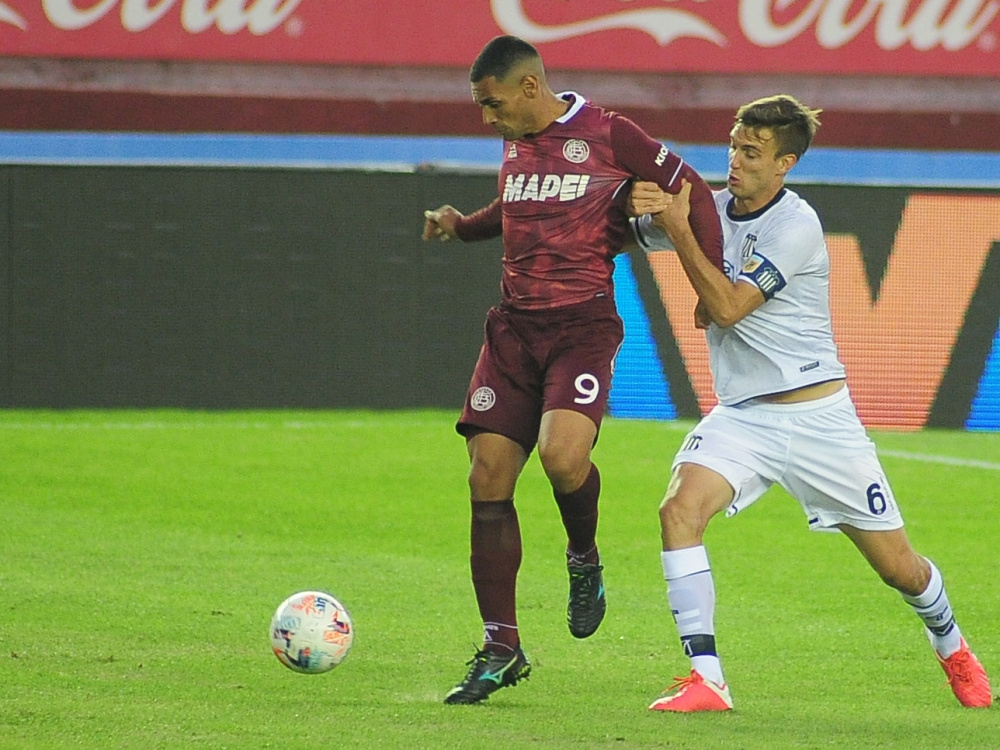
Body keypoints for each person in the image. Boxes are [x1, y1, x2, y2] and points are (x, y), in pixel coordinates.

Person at [627, 94, 992, 712]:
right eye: (734, 146)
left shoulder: (795, 225)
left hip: (820, 421)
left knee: (899, 568)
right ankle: (707, 678)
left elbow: (726, 307)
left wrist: (678, 229)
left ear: (785, 163)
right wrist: (622, 202)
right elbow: (617, 229)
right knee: (677, 512)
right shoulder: (710, 210)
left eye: (752, 152)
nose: (736, 161)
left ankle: (952, 646)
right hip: (743, 417)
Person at [421, 35, 724, 705]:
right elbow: (517, 209)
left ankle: (583, 558)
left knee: (563, 460)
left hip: (581, 329)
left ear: (529, 87)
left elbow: (693, 188)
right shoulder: (516, 142)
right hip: (512, 331)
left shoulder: (610, 133)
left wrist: (714, 282)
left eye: (492, 103)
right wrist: (461, 226)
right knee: (487, 476)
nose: (486, 118)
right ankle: (502, 648)